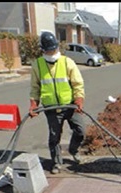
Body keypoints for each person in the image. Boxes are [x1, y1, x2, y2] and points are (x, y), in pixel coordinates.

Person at [29, 31, 86, 174]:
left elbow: (77, 83)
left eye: (54, 49)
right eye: (49, 50)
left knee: (81, 131)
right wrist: (34, 104)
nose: (52, 52)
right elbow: (35, 87)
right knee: (54, 136)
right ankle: (56, 162)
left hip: (70, 105)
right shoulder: (38, 65)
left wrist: (79, 99)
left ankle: (74, 149)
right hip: (51, 108)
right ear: (43, 50)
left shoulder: (67, 62)